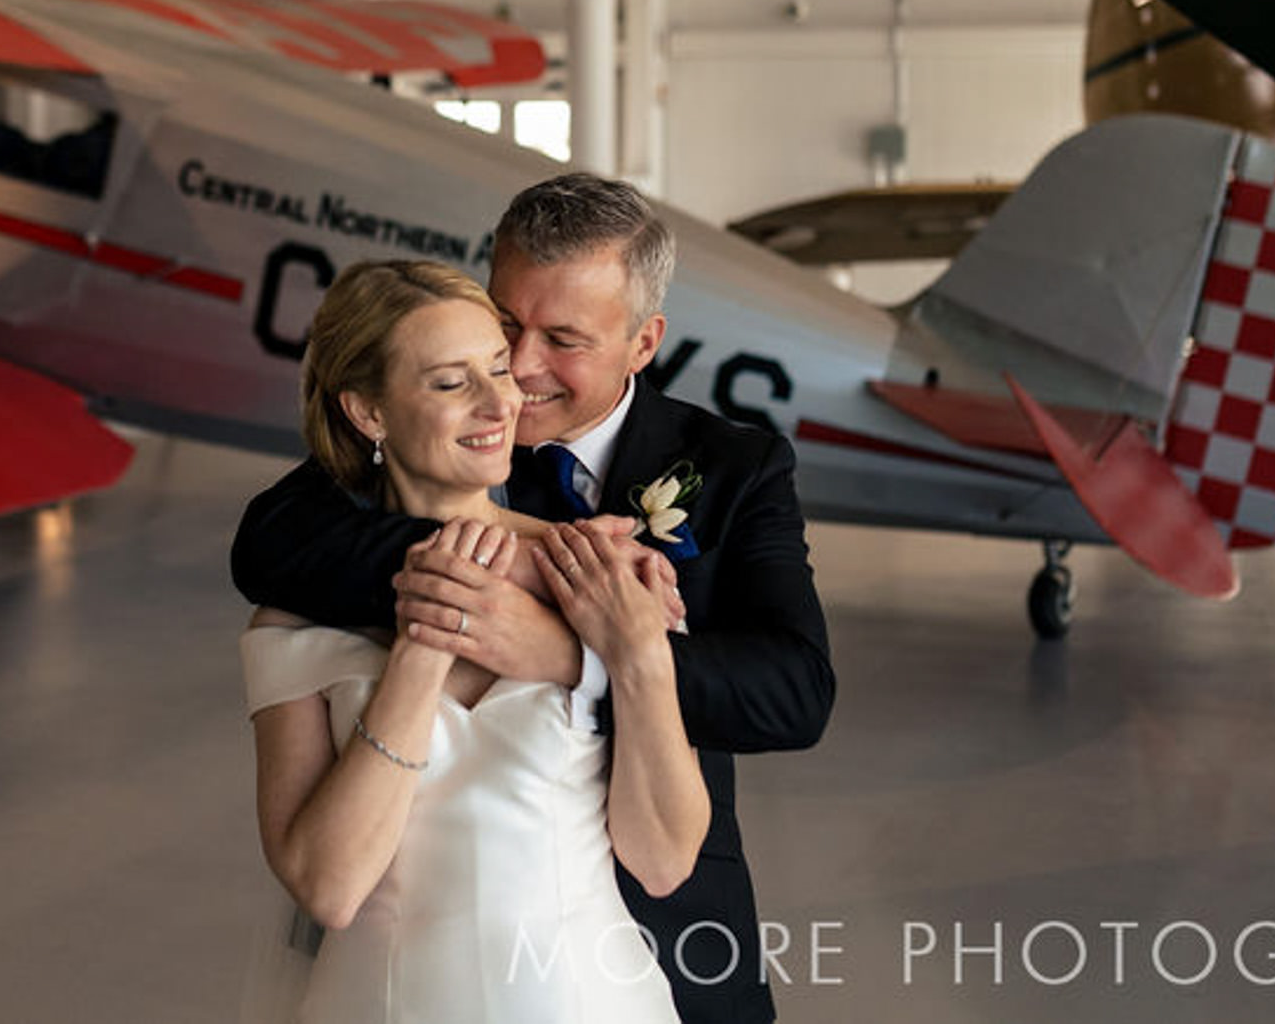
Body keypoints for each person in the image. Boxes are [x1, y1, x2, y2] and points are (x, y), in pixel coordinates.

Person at [234, 175, 836, 1024]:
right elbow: (269, 540)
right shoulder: (444, 427)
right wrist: (525, 562)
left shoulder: (735, 469)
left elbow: (796, 692)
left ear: (642, 343)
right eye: (505, 325)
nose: (516, 371)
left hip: (652, 942)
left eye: (563, 338)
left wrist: (574, 649)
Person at [243, 259, 704, 1021]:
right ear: (369, 413)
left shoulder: (598, 576)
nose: (503, 402)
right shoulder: (294, 623)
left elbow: (663, 863)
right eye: (453, 382)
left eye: (498, 368)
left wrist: (641, 653)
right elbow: (330, 887)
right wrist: (424, 647)